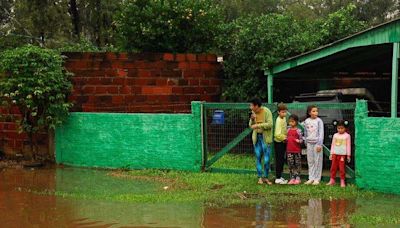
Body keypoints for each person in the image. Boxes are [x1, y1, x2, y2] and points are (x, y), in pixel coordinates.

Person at [249, 97, 273, 185]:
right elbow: (250, 125)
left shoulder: (267, 111)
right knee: (258, 158)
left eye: (251, 105)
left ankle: (266, 177)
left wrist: (258, 126)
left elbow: (270, 124)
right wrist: (252, 120)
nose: (250, 107)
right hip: (257, 138)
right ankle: (260, 177)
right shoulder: (253, 112)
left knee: (267, 159)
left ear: (256, 106)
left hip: (265, 139)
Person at [303, 105, 324, 185]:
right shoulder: (306, 121)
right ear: (309, 112)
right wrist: (305, 142)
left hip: (316, 144)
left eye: (316, 111)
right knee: (310, 161)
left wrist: (319, 144)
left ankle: (317, 179)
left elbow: (321, 133)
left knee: (317, 161)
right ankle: (311, 178)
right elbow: (305, 132)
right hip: (309, 143)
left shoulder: (319, 121)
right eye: (314, 111)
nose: (316, 112)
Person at [327, 120, 351, 187]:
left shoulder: (347, 136)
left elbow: (348, 145)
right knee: (333, 167)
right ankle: (332, 180)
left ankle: (342, 181)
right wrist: (331, 153)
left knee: (342, 168)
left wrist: (348, 155)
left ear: (345, 128)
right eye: (338, 128)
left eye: (342, 128)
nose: (340, 130)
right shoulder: (335, 135)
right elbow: (333, 145)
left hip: (342, 155)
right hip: (335, 154)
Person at [286, 114, 303, 185]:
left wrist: (299, 141)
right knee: (291, 164)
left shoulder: (299, 131)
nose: (291, 123)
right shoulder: (287, 130)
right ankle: (292, 178)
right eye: (289, 122)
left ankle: (298, 177)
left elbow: (302, 139)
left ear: (296, 122)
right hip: (289, 150)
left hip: (296, 150)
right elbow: (286, 138)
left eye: (292, 121)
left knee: (297, 164)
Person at [274, 103, 288, 184]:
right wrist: (285, 138)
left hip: (283, 142)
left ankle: (280, 176)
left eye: (285, 112)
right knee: (279, 159)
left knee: (282, 159)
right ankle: (277, 177)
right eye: (282, 112)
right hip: (279, 142)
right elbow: (277, 134)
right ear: (278, 112)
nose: (284, 113)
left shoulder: (284, 119)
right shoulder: (278, 120)